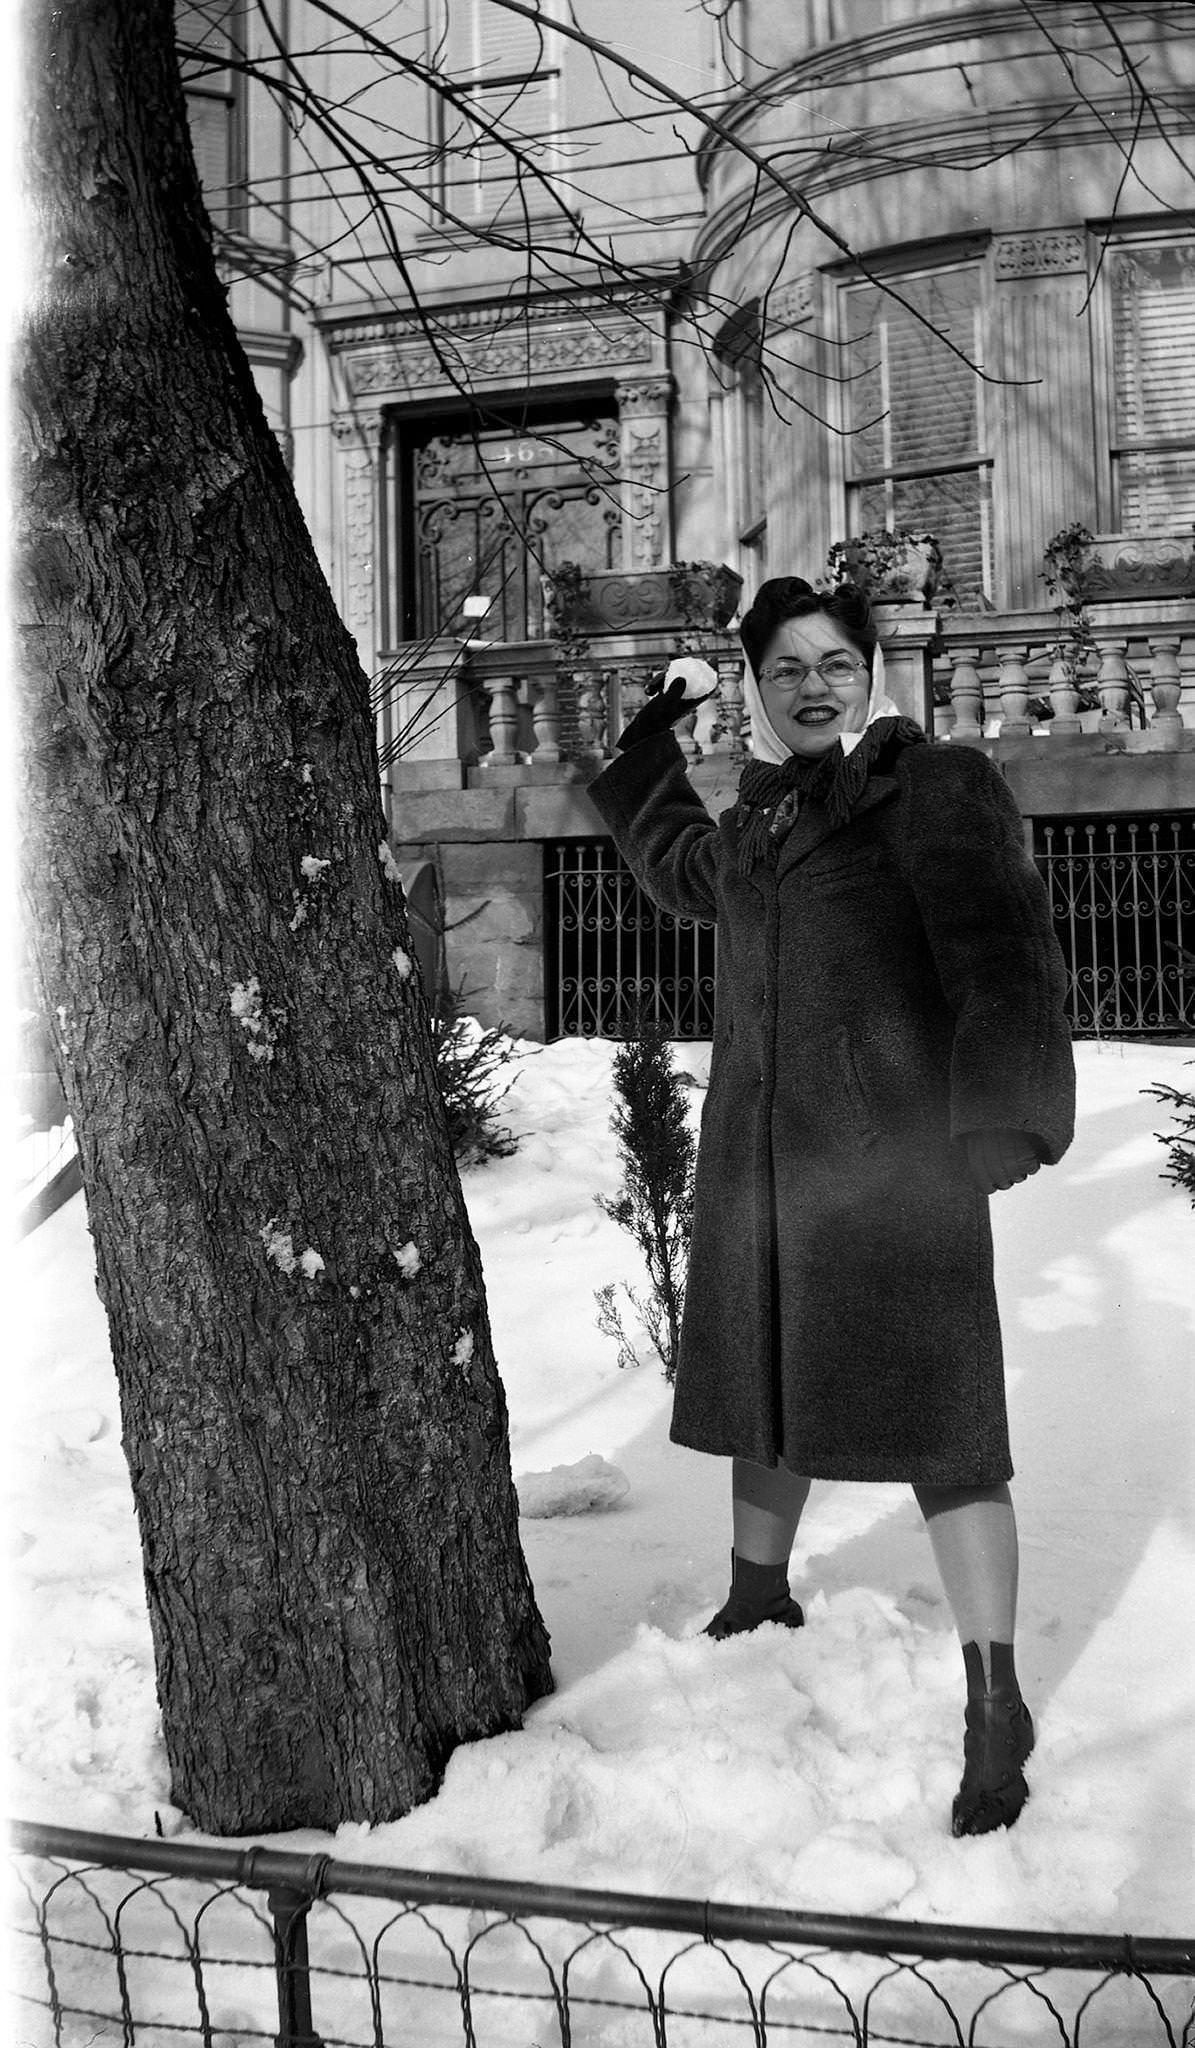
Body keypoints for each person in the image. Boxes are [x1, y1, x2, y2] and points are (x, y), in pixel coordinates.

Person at [587, 575, 1075, 1838]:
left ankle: (993, 1699)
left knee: (946, 1424)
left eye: (833, 661)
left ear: (870, 669)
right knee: (769, 1369)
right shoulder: (756, 822)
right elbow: (672, 863)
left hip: (898, 1165)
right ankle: (760, 1589)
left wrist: (998, 1116)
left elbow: (1005, 943)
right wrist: (651, 741)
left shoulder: (933, 785)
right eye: (786, 666)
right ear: (757, 684)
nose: (813, 683)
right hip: (764, 1157)